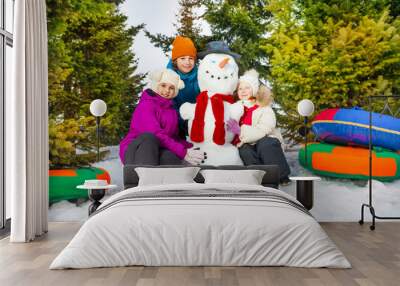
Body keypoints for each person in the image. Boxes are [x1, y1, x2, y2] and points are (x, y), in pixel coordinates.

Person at [119, 69, 206, 166]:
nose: (167, 91)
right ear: (156, 85)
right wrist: (183, 152)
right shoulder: (146, 105)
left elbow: (173, 138)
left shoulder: (170, 110)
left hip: (157, 149)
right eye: (163, 85)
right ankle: (139, 177)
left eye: (171, 88)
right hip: (136, 150)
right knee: (149, 138)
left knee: (172, 158)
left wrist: (192, 147)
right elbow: (155, 134)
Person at [227, 70, 291, 185]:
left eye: (247, 88)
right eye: (240, 88)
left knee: (266, 144)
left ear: (254, 89)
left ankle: (281, 176)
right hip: (244, 142)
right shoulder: (234, 108)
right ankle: (260, 180)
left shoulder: (264, 107)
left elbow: (264, 129)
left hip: (264, 137)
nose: (243, 91)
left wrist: (240, 130)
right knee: (245, 151)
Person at [167, 36, 200, 137]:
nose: (187, 62)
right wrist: (182, 122)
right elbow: (169, 104)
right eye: (182, 58)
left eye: (191, 58)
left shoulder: (200, 75)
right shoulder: (169, 77)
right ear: (175, 60)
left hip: (198, 119)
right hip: (178, 121)